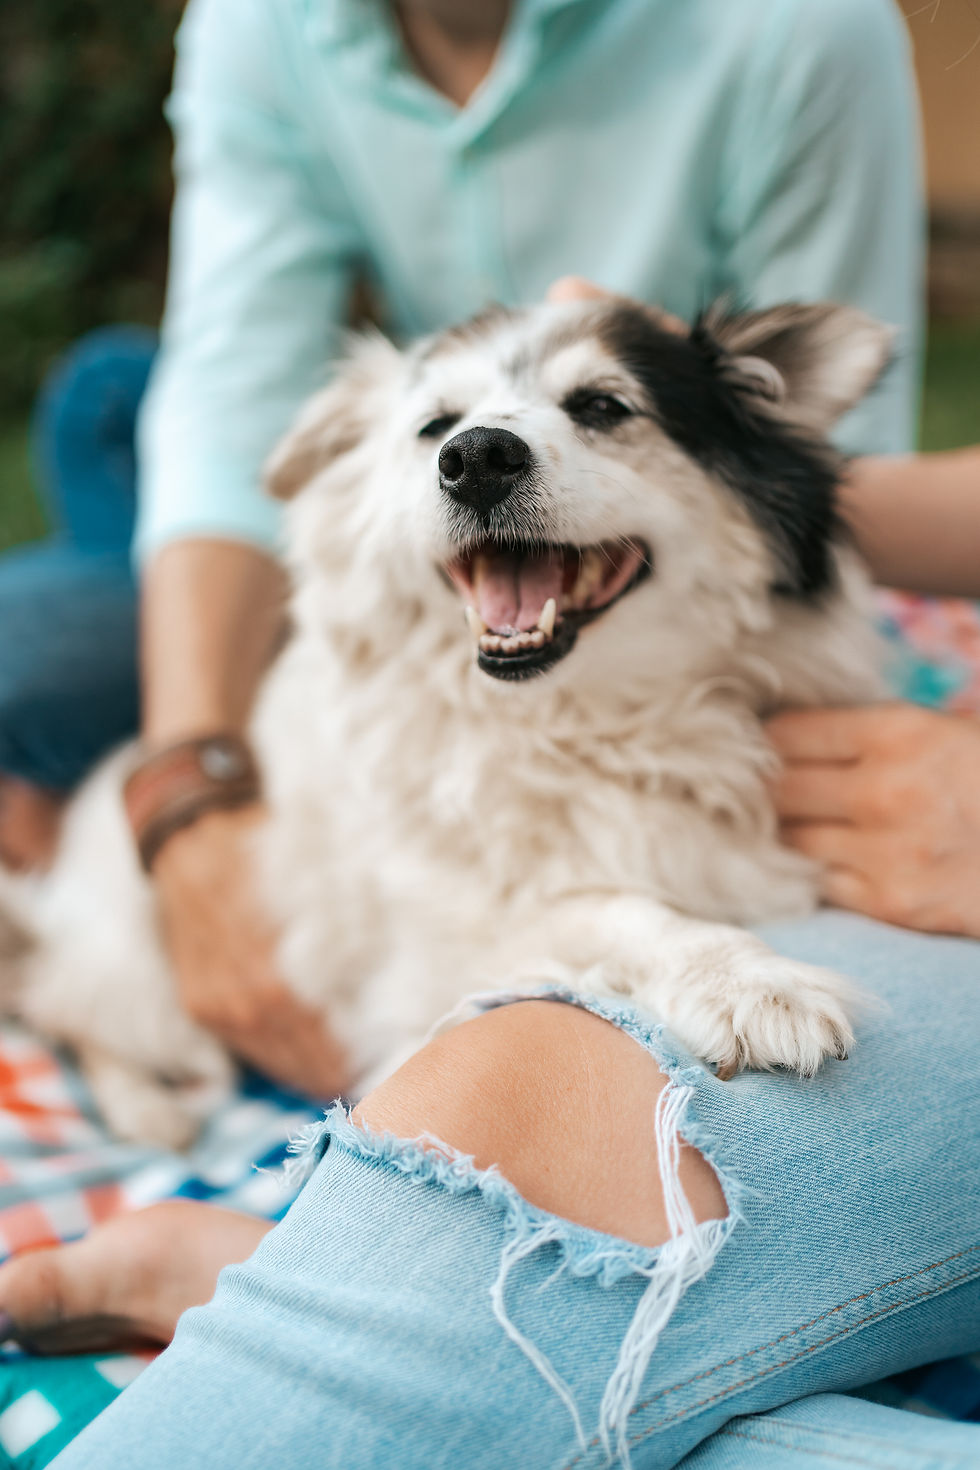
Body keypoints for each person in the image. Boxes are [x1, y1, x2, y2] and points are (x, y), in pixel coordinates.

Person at [0, 0, 922, 1100]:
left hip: (569, 537)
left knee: (100, 426)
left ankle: (55, 805)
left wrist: (681, 399)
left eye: (597, 405)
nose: (480, 446)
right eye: (449, 429)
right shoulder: (263, 24)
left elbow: (830, 472)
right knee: (101, 420)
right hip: (408, 555)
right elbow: (235, 397)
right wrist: (186, 789)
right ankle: (72, 895)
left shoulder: (800, 29)